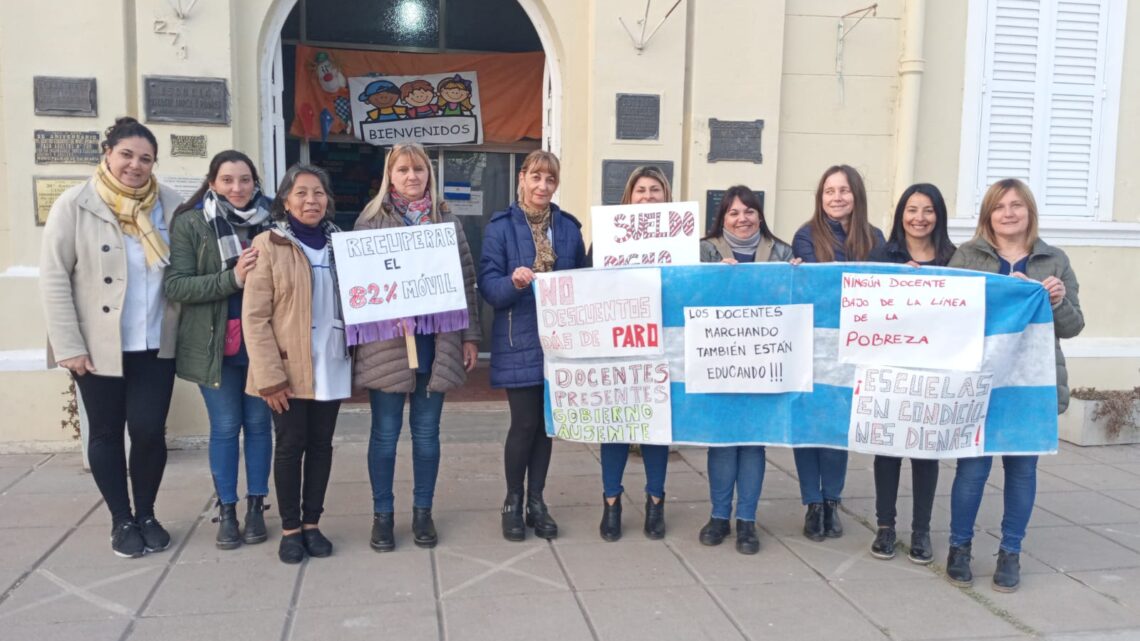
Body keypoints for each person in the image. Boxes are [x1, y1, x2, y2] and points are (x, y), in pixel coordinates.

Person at [40, 117, 183, 558]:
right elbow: (53, 277)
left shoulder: (172, 205)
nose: (135, 166)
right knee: (105, 432)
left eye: (145, 158)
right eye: (127, 155)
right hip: (97, 347)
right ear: (108, 154)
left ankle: (147, 514)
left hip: (154, 343)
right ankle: (121, 521)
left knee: (147, 431)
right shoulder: (75, 204)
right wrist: (69, 346)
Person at [945, 178, 1083, 592]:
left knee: (1022, 471)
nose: (1008, 213)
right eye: (999, 206)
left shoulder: (1053, 260)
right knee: (972, 469)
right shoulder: (967, 257)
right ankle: (959, 547)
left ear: (1029, 212)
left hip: (1031, 384)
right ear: (988, 214)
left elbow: (1074, 327)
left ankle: (1010, 552)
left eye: (1017, 205)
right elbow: (947, 317)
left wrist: (1056, 301)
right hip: (980, 381)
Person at [353, 143, 481, 552]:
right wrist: (383, 312)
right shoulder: (370, 221)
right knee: (385, 436)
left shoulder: (448, 221)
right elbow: (355, 288)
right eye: (403, 169)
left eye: (419, 169)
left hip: (436, 344)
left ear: (429, 174)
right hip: (387, 345)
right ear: (389, 175)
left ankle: (422, 512)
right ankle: (383, 515)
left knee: (427, 436)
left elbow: (466, 282)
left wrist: (470, 335)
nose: (412, 176)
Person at [164, 150, 274, 550]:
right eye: (227, 180)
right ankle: (227, 510)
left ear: (255, 182)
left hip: (264, 344)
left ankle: (256, 507)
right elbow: (177, 285)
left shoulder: (274, 221)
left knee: (261, 427)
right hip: (215, 345)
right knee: (227, 427)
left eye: (245, 179)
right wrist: (233, 278)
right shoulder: (192, 223)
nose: (237, 188)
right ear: (212, 183)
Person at [242, 164, 352, 564]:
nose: (311, 200)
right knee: (290, 446)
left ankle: (312, 524)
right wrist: (269, 378)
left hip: (333, 361)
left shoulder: (343, 244)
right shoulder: (268, 245)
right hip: (288, 368)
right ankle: (290, 529)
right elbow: (255, 317)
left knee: (321, 446)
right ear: (285, 201)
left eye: (319, 192)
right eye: (302, 193)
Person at [478, 150, 586, 542]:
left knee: (546, 427)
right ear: (521, 178)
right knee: (524, 423)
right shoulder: (500, 227)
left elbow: (586, 282)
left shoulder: (570, 228)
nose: (543, 186)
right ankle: (513, 499)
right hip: (518, 338)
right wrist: (514, 282)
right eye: (536, 177)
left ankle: (537, 501)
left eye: (550, 180)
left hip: (562, 342)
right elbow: (489, 285)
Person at [697, 185, 797, 555]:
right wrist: (708, 277)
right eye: (734, 213)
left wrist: (797, 276)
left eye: (749, 211)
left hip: (764, 362)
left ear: (760, 214)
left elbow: (796, 303)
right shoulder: (703, 251)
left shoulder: (783, 252)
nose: (742, 219)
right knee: (722, 441)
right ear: (722, 218)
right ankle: (719, 516)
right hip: (718, 360)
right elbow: (689, 295)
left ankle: (747, 520)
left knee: (753, 442)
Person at [792, 164, 885, 541]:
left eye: (843, 190)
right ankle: (812, 502)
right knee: (807, 425)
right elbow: (817, 288)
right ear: (820, 197)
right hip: (814, 344)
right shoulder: (805, 235)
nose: (836, 197)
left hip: (855, 345)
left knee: (838, 425)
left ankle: (832, 500)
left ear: (856, 195)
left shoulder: (875, 238)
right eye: (829, 191)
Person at [865, 183, 955, 563]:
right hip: (890, 367)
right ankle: (885, 528)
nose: (920, 218)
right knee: (887, 450)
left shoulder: (955, 257)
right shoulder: (882, 254)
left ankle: (921, 531)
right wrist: (891, 279)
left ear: (939, 216)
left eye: (928, 210)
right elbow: (863, 304)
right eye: (912, 209)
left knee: (925, 452)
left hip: (936, 369)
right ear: (901, 214)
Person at [597, 165, 674, 542]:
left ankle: (655, 500)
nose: (647, 197)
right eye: (640, 190)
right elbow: (587, 282)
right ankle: (611, 502)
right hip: (617, 344)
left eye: (655, 190)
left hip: (661, 346)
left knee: (655, 427)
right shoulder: (608, 237)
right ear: (628, 197)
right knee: (615, 424)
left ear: (666, 196)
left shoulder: (682, 239)